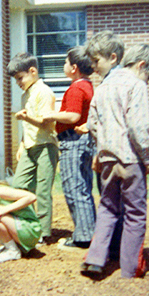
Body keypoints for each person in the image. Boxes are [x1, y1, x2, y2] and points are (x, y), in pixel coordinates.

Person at [81, 31, 149, 278]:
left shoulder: (101, 88)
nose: (93, 68)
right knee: (135, 213)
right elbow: (137, 127)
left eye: (95, 62)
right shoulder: (136, 84)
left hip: (107, 159)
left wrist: (101, 148)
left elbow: (93, 124)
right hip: (131, 159)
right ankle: (129, 269)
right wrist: (148, 158)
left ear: (112, 58)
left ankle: (95, 259)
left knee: (107, 208)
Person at [42, 46, 96, 250]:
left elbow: (73, 117)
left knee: (74, 187)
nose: (64, 65)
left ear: (74, 68)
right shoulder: (88, 86)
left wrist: (50, 114)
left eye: (65, 62)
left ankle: (83, 238)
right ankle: (89, 232)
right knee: (84, 188)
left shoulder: (76, 88)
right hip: (84, 141)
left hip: (73, 141)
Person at [7, 52, 59, 244]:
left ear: (33, 71)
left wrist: (26, 117)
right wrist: (21, 144)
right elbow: (26, 126)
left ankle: (43, 233)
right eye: (16, 79)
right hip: (30, 147)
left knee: (43, 190)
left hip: (45, 145)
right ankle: (28, 223)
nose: (18, 82)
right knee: (19, 185)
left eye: (20, 78)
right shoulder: (25, 95)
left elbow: (47, 124)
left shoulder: (44, 92)